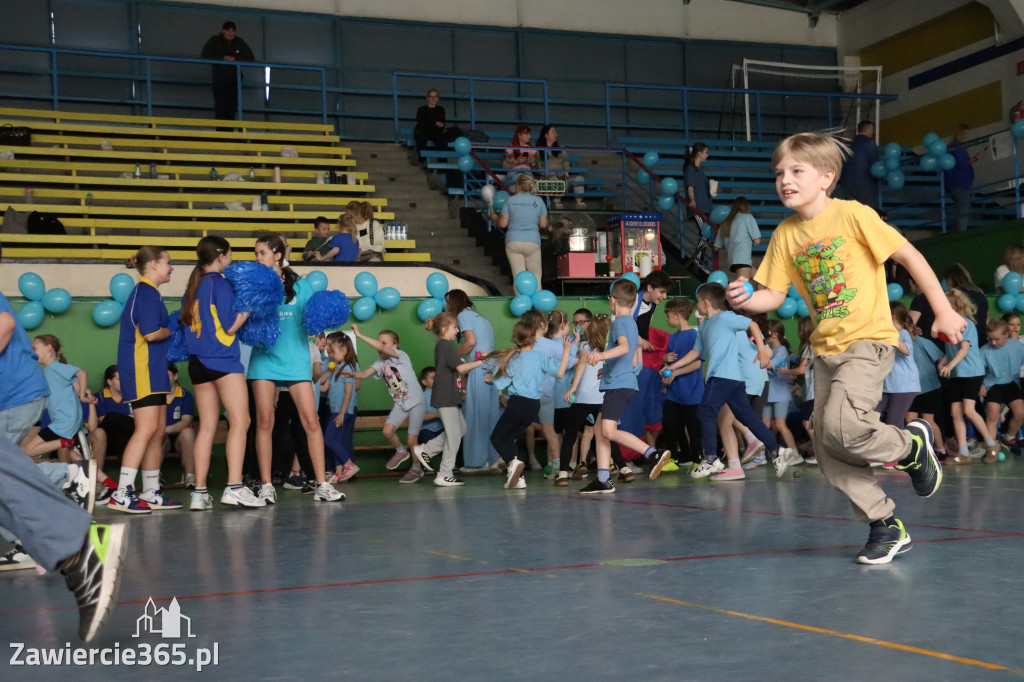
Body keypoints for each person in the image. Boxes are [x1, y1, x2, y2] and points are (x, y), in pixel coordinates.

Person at [727, 131, 962, 565]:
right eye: (779, 173)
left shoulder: (853, 215)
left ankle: (910, 447)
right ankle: (885, 524)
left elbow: (909, 256)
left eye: (797, 171)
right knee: (828, 443)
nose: (785, 180)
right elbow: (773, 295)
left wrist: (944, 310)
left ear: (827, 176)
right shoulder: (785, 235)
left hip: (867, 341)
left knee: (843, 424)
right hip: (825, 351)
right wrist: (746, 299)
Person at [248, 234, 344, 503]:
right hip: (264, 359)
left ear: (277, 255)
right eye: (256, 253)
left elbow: (313, 324)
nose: (258, 258)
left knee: (311, 421)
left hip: (296, 361)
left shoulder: (301, 285)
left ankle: (322, 484)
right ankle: (266, 485)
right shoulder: (255, 286)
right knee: (264, 423)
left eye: (262, 253)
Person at [667, 283, 793, 479]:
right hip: (733, 380)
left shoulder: (726, 317)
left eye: (698, 301)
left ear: (706, 303)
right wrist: (673, 367)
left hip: (724, 376)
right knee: (746, 416)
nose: (697, 305)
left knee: (705, 411)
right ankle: (777, 451)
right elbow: (695, 352)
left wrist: (762, 349)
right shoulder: (705, 326)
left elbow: (752, 325)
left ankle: (711, 458)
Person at [178, 235, 262, 510]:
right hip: (222, 360)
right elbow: (230, 326)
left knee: (207, 427)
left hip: (197, 363)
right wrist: (248, 307)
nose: (231, 259)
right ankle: (235, 487)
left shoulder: (194, 285)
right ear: (221, 256)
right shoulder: (220, 284)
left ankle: (199, 493)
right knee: (241, 422)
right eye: (230, 254)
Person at [579, 279, 672, 493]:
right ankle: (603, 478)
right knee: (600, 430)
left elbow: (623, 348)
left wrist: (602, 356)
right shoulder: (631, 323)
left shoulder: (620, 323)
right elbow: (633, 360)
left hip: (618, 386)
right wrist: (608, 368)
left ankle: (653, 453)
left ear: (613, 300)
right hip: (622, 382)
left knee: (608, 430)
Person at [111, 246, 179, 513]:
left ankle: (150, 491)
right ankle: (122, 493)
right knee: (146, 429)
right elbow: (151, 334)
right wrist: (173, 329)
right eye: (168, 262)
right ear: (153, 265)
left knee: (157, 431)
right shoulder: (146, 293)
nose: (171, 267)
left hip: (154, 370)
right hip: (142, 370)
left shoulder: (151, 292)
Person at [485, 319, 572, 490]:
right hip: (533, 406)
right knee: (509, 439)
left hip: (518, 403)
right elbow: (561, 373)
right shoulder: (541, 357)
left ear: (516, 339)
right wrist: (567, 350)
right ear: (534, 338)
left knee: (497, 438)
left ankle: (513, 464)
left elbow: (497, 382)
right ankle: (519, 479)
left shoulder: (513, 359)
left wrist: (486, 376)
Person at [344, 326, 429, 483]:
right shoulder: (380, 362)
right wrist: (353, 374)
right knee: (387, 431)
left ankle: (416, 469)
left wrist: (359, 335)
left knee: (412, 441)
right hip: (400, 404)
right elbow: (365, 374)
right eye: (379, 342)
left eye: (383, 342)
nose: (379, 346)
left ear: (394, 345)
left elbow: (382, 348)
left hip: (416, 402)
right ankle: (401, 452)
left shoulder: (401, 355)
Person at [414, 313, 485, 486]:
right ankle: (445, 474)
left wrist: (476, 362)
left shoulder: (444, 345)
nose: (458, 331)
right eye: (455, 327)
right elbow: (460, 368)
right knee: (454, 436)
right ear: (444, 329)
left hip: (449, 396)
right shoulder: (446, 345)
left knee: (460, 429)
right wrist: (481, 362)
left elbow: (457, 368)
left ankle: (426, 449)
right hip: (445, 396)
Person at [445, 289, 502, 470]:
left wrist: (452, 356)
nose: (446, 306)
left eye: (448, 302)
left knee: (476, 414)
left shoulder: (463, 316)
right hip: (491, 366)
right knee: (489, 414)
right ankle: (494, 459)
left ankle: (477, 462)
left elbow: (470, 342)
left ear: (455, 303)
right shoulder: (478, 317)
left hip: (479, 366)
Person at [939, 289, 995, 462]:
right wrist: (944, 362)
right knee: (955, 413)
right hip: (957, 373)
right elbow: (952, 350)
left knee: (969, 411)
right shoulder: (947, 327)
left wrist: (950, 365)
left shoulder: (966, 324)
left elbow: (964, 349)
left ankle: (991, 443)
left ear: (957, 307)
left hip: (972, 372)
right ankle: (963, 452)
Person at [22, 334, 91, 460]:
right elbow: (73, 385)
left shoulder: (55, 367)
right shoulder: (50, 370)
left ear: (49, 348)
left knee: (29, 450)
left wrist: (82, 395)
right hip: (67, 421)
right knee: (72, 454)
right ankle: (99, 475)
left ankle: (69, 442)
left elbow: (82, 373)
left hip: (64, 422)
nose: (32, 352)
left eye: (34, 348)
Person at [661, 298, 704, 468]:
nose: (666, 319)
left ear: (677, 316)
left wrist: (675, 373)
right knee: (670, 425)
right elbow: (669, 362)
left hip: (692, 393)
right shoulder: (672, 337)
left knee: (693, 428)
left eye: (668, 315)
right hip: (673, 393)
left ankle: (697, 459)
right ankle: (679, 457)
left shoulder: (694, 335)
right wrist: (665, 360)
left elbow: (697, 363)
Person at [980, 317, 1024, 459]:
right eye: (990, 339)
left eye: (996, 339)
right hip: (992, 384)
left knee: (1020, 413)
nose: (993, 342)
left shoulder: (1018, 347)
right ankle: (991, 447)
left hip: (1011, 383)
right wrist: (980, 385)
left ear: (1006, 334)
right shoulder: (985, 350)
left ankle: (1009, 438)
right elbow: (978, 370)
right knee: (992, 415)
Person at [491, 173, 548, 283]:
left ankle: (520, 294)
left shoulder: (510, 200)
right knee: (536, 277)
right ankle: (536, 294)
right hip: (532, 241)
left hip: (513, 241)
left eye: (516, 183)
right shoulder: (539, 201)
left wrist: (495, 218)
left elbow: (503, 224)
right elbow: (543, 224)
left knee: (518, 278)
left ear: (520, 185)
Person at [321, 331, 360, 483]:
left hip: (342, 412)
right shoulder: (336, 368)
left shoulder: (348, 368)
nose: (330, 354)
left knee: (329, 439)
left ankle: (349, 465)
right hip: (335, 411)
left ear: (343, 351)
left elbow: (349, 393)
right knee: (335, 440)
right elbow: (324, 387)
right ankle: (338, 471)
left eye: (333, 351)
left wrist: (342, 413)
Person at [199, 21, 254, 121]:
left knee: (231, 108)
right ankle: (221, 131)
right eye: (228, 30)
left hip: (234, 81)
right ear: (222, 31)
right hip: (220, 80)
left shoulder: (239, 42)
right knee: (220, 107)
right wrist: (222, 57)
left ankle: (229, 131)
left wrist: (235, 58)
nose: (230, 33)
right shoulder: (215, 40)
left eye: (233, 31)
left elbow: (250, 57)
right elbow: (205, 54)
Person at [944, 123, 985, 232]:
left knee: (963, 209)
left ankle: (954, 230)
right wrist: (976, 158)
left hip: (957, 183)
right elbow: (963, 164)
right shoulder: (957, 147)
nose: (967, 136)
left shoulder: (955, 146)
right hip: (959, 184)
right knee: (963, 211)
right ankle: (961, 233)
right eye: (966, 133)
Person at [536, 124, 585, 210]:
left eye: (556, 132)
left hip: (563, 179)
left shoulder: (561, 150)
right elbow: (539, 170)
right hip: (548, 180)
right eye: (553, 132)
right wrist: (555, 174)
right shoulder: (538, 151)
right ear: (546, 135)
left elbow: (566, 164)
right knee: (554, 179)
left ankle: (579, 203)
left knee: (579, 178)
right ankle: (557, 203)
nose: (556, 134)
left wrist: (565, 173)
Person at [163, 364, 196, 485]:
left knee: (188, 432)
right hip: (163, 439)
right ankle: (153, 479)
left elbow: (186, 422)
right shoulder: (154, 396)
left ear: (175, 376)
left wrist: (166, 429)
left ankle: (190, 477)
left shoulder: (185, 395)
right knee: (157, 436)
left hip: (179, 439)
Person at [713, 197, 762, 280]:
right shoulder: (748, 217)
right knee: (742, 286)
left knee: (762, 281)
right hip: (743, 260)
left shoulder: (725, 222)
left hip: (732, 261)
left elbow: (716, 248)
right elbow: (757, 241)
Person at [837, 120, 878, 210]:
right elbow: (874, 164)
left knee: (851, 211)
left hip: (846, 183)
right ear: (867, 129)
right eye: (872, 129)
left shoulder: (846, 144)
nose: (872, 132)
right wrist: (877, 180)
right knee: (867, 212)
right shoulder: (870, 143)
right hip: (865, 183)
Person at [413, 89, 457, 163]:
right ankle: (422, 160)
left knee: (443, 141)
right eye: (431, 96)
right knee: (421, 139)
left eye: (435, 97)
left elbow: (442, 124)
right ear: (427, 98)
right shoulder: (421, 109)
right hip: (423, 131)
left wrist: (431, 123)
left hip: (436, 132)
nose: (433, 99)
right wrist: (435, 123)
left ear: (438, 98)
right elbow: (421, 123)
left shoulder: (441, 110)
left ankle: (442, 163)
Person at [683, 142, 712, 233]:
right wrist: (692, 200)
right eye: (705, 152)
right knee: (704, 233)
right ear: (699, 153)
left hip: (704, 207)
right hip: (698, 208)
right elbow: (690, 187)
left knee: (706, 234)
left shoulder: (700, 170)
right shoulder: (691, 169)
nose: (707, 155)